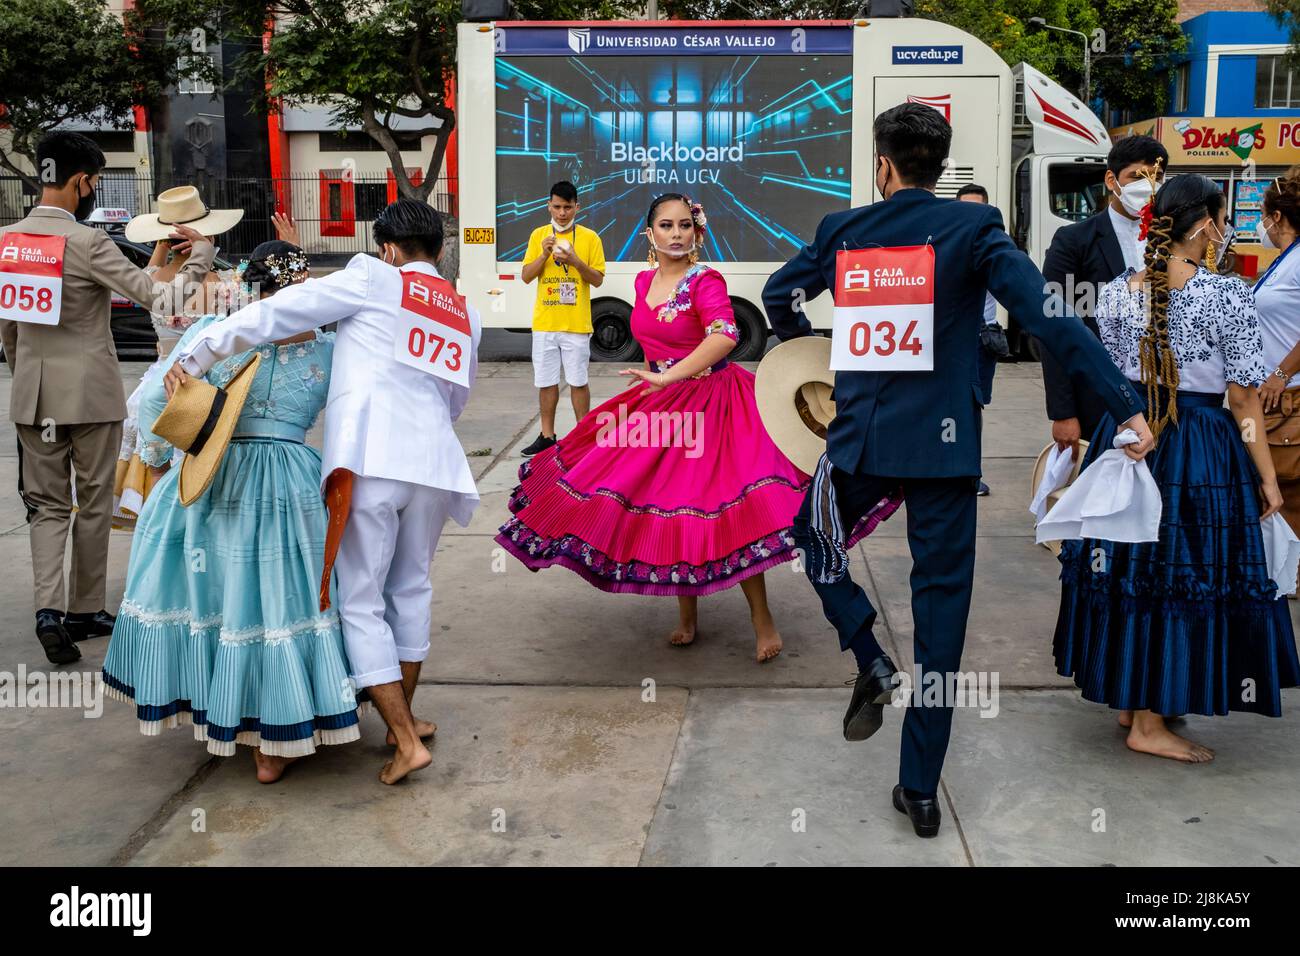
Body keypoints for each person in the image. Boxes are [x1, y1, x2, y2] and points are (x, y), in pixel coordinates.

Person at [763, 103, 1153, 838]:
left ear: (883, 165)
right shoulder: (973, 229)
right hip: (944, 453)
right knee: (942, 620)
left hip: (860, 445)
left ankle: (866, 651)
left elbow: (777, 294)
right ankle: (919, 791)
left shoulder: (842, 230)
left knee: (811, 541)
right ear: (938, 166)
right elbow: (1050, 318)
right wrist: (1124, 404)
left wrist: (805, 354)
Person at [497, 194, 897, 663]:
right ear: (650, 234)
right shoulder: (645, 280)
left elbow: (725, 335)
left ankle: (761, 620)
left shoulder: (705, 280)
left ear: (697, 233)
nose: (676, 233)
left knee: (730, 510)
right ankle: (686, 615)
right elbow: (650, 347)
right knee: (670, 506)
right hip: (661, 404)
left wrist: (670, 376)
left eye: (685, 225)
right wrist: (653, 388)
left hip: (716, 403)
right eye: (665, 225)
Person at [163, 200, 481, 785]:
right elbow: (456, 396)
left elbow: (279, 312)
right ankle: (399, 721)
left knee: (359, 600)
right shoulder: (462, 308)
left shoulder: (370, 275)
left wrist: (197, 352)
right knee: (410, 588)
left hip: (371, 460)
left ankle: (406, 740)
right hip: (435, 462)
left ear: (387, 248)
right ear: (439, 249)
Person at [1054, 173, 1300, 762]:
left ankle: (1134, 699)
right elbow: (1242, 401)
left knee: (1132, 569)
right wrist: (1266, 477)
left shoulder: (1116, 291)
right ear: (1203, 226)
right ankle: (1147, 722)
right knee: (1181, 573)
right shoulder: (1225, 294)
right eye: (1221, 219)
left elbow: (1111, 378)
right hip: (1200, 447)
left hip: (1133, 440)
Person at [103, 241, 366, 783]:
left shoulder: (215, 335)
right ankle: (275, 741)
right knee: (277, 600)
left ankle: (224, 711)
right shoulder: (329, 349)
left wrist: (160, 465)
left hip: (211, 473)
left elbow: (156, 403)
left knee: (219, 598)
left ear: (253, 285)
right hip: (289, 480)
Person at [0, 131, 214, 665]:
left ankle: (48, 611)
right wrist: (200, 257)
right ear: (81, 182)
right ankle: (86, 609)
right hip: (91, 397)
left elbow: (9, 328)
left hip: (34, 397)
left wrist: (26, 374)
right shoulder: (87, 242)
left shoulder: (8, 241)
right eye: (93, 182)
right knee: (92, 503)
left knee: (46, 508)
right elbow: (160, 299)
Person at [113, 186, 250, 529]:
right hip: (206, 383)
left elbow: (150, 269)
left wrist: (161, 244)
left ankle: (163, 533)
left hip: (157, 384)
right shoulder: (228, 284)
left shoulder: (152, 281)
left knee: (159, 468)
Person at [1038, 135, 1169, 460]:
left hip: (1164, 398)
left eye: (1157, 178)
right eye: (1137, 177)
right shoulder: (1074, 241)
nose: (1148, 187)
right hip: (1097, 397)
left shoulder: (1172, 241)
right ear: (1112, 180)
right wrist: (1063, 411)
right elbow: (1053, 326)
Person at [519, 181, 606, 456]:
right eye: (557, 207)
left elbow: (598, 280)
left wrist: (576, 262)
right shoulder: (538, 235)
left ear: (577, 207)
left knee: (578, 381)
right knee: (546, 381)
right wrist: (544, 254)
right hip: (545, 321)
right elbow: (526, 276)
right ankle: (547, 435)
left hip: (576, 323)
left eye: (568, 207)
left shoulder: (591, 238)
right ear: (549, 206)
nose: (562, 213)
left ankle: (583, 436)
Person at [1251, 168, 1300, 583]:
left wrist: (1281, 374)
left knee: (1286, 492)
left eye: (1262, 214)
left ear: (1278, 218)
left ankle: (1288, 575)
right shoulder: (1286, 259)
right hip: (1270, 400)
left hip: (1288, 401)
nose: (1260, 223)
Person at [956, 183, 1009, 496]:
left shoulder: (995, 249)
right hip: (952, 339)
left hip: (982, 339)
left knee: (973, 408)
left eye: (978, 208)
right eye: (965, 207)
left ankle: (971, 474)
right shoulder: (945, 245)